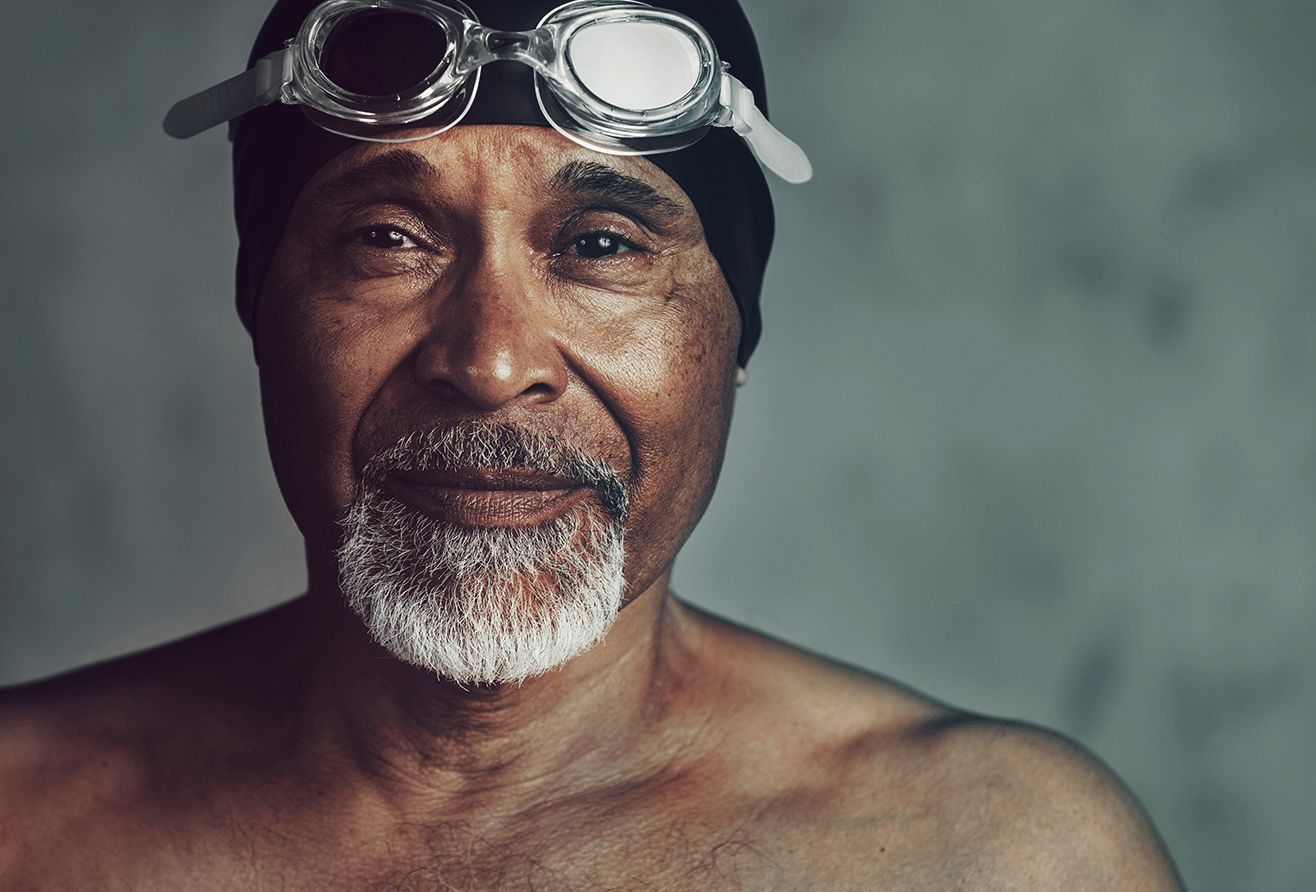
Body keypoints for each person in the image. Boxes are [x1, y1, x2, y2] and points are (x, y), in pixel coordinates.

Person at [0, 0, 1181, 887]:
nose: (492, 361)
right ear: (264, 307)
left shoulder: (996, 859)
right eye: (388, 238)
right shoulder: (24, 823)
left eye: (602, 245)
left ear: (733, 329)